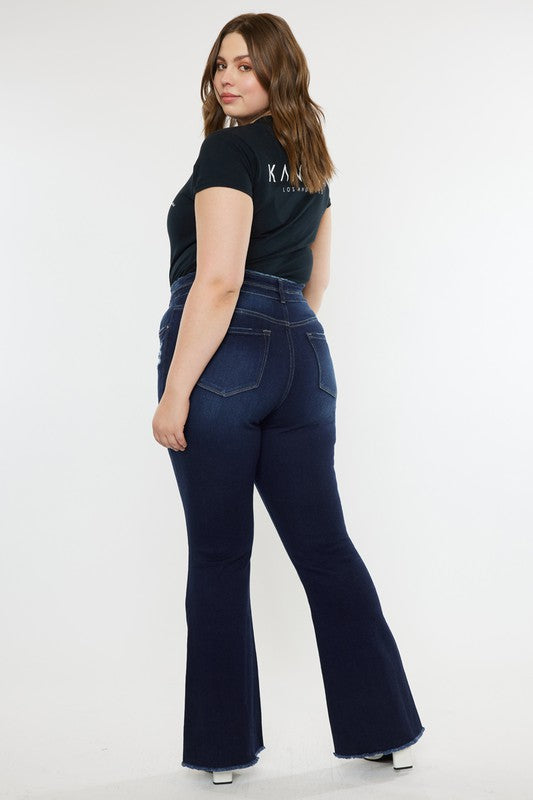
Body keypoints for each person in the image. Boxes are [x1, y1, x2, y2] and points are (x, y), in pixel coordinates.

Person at [152, 12, 425, 785]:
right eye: (219, 65)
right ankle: (383, 730)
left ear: (279, 71)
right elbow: (317, 281)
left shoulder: (227, 150)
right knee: (326, 548)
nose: (226, 78)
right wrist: (281, 342)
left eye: (245, 64)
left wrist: (177, 395)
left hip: (222, 353)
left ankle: (221, 749)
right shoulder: (312, 161)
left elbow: (218, 278)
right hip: (304, 356)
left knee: (216, 555)